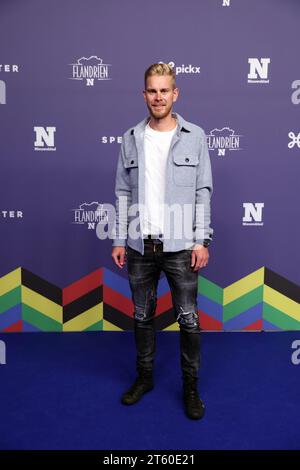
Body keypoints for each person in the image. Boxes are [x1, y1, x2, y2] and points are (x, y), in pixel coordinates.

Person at [111, 63, 213, 420]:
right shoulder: (130, 138)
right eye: (152, 91)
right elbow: (123, 190)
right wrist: (118, 238)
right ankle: (145, 378)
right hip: (141, 245)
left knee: (188, 320)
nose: (158, 97)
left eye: (164, 90)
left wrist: (201, 239)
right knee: (142, 317)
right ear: (144, 95)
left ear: (175, 93)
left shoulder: (195, 136)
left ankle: (190, 386)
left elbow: (203, 191)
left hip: (182, 245)